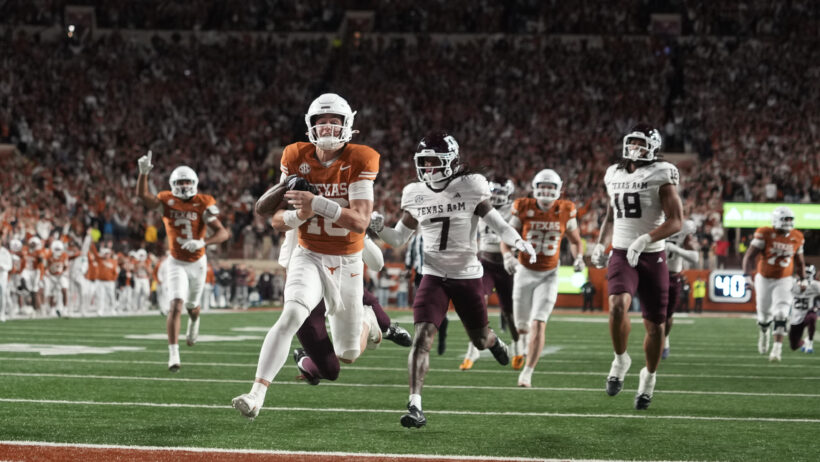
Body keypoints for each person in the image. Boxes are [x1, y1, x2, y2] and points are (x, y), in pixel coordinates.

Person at [370, 130, 536, 428]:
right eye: (424, 161)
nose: (427, 167)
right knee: (422, 337)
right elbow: (398, 239)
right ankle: (415, 405)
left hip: (467, 277)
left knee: (480, 340)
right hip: (433, 275)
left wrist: (519, 242)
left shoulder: (471, 185)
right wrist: (380, 228)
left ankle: (494, 341)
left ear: (450, 160)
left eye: (433, 160)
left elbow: (498, 224)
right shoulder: (415, 192)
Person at [232, 93, 379, 420]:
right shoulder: (295, 155)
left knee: (348, 352)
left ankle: (367, 319)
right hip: (308, 254)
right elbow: (273, 218)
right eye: (320, 121)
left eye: (334, 121)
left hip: (347, 260)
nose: (327, 127)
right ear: (310, 125)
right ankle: (256, 395)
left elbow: (360, 221)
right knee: (291, 315)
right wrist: (298, 211)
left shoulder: (361, 158)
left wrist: (318, 204)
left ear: (347, 125)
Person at [591, 124, 683, 410]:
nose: (634, 148)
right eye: (632, 142)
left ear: (653, 147)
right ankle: (620, 360)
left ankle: (649, 378)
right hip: (621, 251)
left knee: (655, 327)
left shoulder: (662, 172)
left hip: (652, 255)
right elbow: (611, 215)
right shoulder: (613, 173)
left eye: (641, 144)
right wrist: (600, 243)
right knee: (617, 306)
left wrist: (646, 239)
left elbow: (676, 220)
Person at [137, 151, 230, 371]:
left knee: (192, 307)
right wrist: (143, 174)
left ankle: (195, 320)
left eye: (187, 181)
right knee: (176, 304)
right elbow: (144, 197)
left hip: (198, 262)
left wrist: (203, 242)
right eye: (180, 182)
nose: (184, 185)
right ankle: (173, 354)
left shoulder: (204, 202)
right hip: (176, 261)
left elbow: (223, 233)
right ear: (173, 185)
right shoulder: (166, 200)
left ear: (194, 182)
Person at [502, 169, 584, 387]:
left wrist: (579, 258)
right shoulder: (523, 206)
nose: (546, 191)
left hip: (549, 274)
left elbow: (575, 241)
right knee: (521, 327)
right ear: (535, 188)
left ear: (558, 189)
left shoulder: (566, 209)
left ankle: (528, 372)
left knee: (539, 322)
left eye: (550, 187)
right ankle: (522, 346)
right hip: (524, 271)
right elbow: (507, 236)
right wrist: (507, 255)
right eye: (543, 187)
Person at [459, 176, 517, 371]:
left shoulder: (515, 210)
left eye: (501, 192)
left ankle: (517, 347)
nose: (497, 196)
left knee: (510, 312)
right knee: (477, 303)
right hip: (485, 263)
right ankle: (472, 351)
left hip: (507, 265)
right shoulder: (480, 205)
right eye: (495, 192)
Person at [742, 206, 806, 362]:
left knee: (782, 313)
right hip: (764, 278)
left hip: (784, 279)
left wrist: (803, 279)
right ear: (776, 220)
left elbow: (800, 262)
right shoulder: (765, 233)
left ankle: (777, 350)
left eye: (790, 219)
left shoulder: (797, 236)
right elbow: (749, 256)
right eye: (785, 219)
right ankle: (764, 332)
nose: (788, 222)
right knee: (764, 316)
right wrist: (746, 276)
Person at [663, 219, 699, 359]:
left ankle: (665, 339)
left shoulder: (682, 227)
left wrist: (675, 249)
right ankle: (657, 341)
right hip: (654, 275)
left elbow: (695, 257)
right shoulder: (653, 221)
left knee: (668, 315)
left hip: (673, 276)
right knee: (654, 314)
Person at [789, 265, 819, 354]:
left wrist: (817, 307)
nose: (806, 275)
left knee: (812, 317)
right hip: (795, 318)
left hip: (808, 313)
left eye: (808, 273)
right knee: (794, 346)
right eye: (804, 272)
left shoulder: (815, 285)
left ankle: (810, 342)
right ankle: (804, 342)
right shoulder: (792, 283)